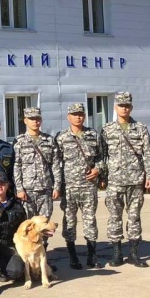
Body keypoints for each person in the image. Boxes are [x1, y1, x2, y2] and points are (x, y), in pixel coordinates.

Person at [101, 92, 150, 268]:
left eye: (127, 105)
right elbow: (102, 156)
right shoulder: (107, 129)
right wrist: (102, 177)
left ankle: (133, 253)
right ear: (115, 107)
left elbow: (148, 153)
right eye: (120, 105)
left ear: (131, 107)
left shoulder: (140, 128)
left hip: (135, 179)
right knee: (114, 217)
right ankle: (117, 253)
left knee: (134, 217)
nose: (124, 108)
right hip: (115, 180)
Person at [55, 103, 104, 269]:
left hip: (89, 186)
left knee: (90, 221)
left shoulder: (93, 135)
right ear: (68, 117)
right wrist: (57, 186)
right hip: (68, 188)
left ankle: (92, 256)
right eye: (74, 114)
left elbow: (101, 157)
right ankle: (73, 257)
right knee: (69, 222)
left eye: (81, 114)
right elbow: (56, 163)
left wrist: (98, 169)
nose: (78, 117)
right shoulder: (61, 138)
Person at [12, 107, 62, 237]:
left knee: (44, 225)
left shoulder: (49, 140)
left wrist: (57, 186)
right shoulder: (19, 141)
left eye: (38, 118)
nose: (35, 121)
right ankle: (28, 255)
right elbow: (16, 166)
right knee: (28, 226)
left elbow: (55, 165)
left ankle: (43, 253)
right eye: (32, 119)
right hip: (27, 191)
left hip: (45, 190)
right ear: (25, 121)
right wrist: (19, 188)